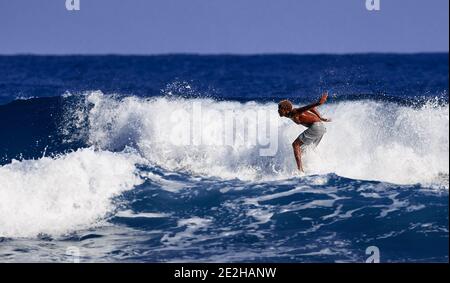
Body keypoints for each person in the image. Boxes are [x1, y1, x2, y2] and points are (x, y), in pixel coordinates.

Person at [278, 92, 331, 172]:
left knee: (295, 145)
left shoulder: (294, 112)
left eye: (280, 109)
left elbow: (308, 107)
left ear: (286, 110)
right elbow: (311, 109)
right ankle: (314, 168)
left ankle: (300, 170)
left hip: (316, 126)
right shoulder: (289, 114)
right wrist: (320, 117)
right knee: (305, 150)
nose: (278, 111)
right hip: (321, 128)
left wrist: (318, 103)